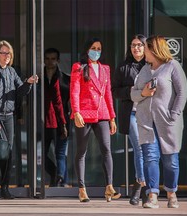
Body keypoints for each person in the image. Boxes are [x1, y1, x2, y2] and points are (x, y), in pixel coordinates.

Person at [131, 35, 187, 209]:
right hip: (146, 122)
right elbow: (133, 93)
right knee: (150, 158)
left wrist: (174, 115)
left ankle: (171, 193)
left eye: (145, 48)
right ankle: (152, 196)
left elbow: (182, 92)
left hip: (168, 122)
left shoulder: (172, 66)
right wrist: (144, 94)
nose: (142, 52)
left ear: (153, 50)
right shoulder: (144, 70)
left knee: (170, 160)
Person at [70, 37, 120, 202]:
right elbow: (74, 91)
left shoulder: (105, 69)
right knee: (81, 151)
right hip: (84, 113)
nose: (96, 51)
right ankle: (82, 189)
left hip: (102, 113)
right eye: (93, 48)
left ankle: (109, 187)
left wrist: (112, 117)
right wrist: (76, 112)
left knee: (106, 148)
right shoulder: (79, 67)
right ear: (87, 49)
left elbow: (108, 95)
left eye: (99, 48)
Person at [0, 40, 38, 199]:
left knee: (9, 153)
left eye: (8, 53)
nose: (6, 56)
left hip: (9, 118)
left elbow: (20, 92)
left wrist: (28, 83)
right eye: (4, 53)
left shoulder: (11, 72)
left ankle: (4, 187)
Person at [112, 34, 147, 205]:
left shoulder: (152, 65)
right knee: (139, 148)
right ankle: (141, 186)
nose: (136, 48)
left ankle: (141, 186)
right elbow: (114, 91)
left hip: (151, 114)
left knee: (150, 151)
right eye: (133, 45)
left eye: (140, 45)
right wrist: (131, 90)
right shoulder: (123, 67)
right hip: (132, 113)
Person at [43, 48, 68, 187]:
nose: (50, 61)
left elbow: (66, 101)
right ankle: (55, 174)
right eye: (47, 58)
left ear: (58, 60)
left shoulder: (65, 79)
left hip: (61, 121)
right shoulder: (39, 78)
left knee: (60, 153)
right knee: (41, 155)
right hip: (43, 121)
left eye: (53, 58)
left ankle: (61, 181)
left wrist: (65, 122)